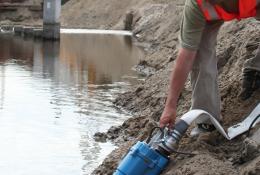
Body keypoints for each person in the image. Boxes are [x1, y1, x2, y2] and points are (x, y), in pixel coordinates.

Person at [159, 0, 260, 136]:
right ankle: (207, 120)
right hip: (213, 15)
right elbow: (186, 56)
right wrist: (170, 106)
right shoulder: (197, 5)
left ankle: (256, 65)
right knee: (200, 52)